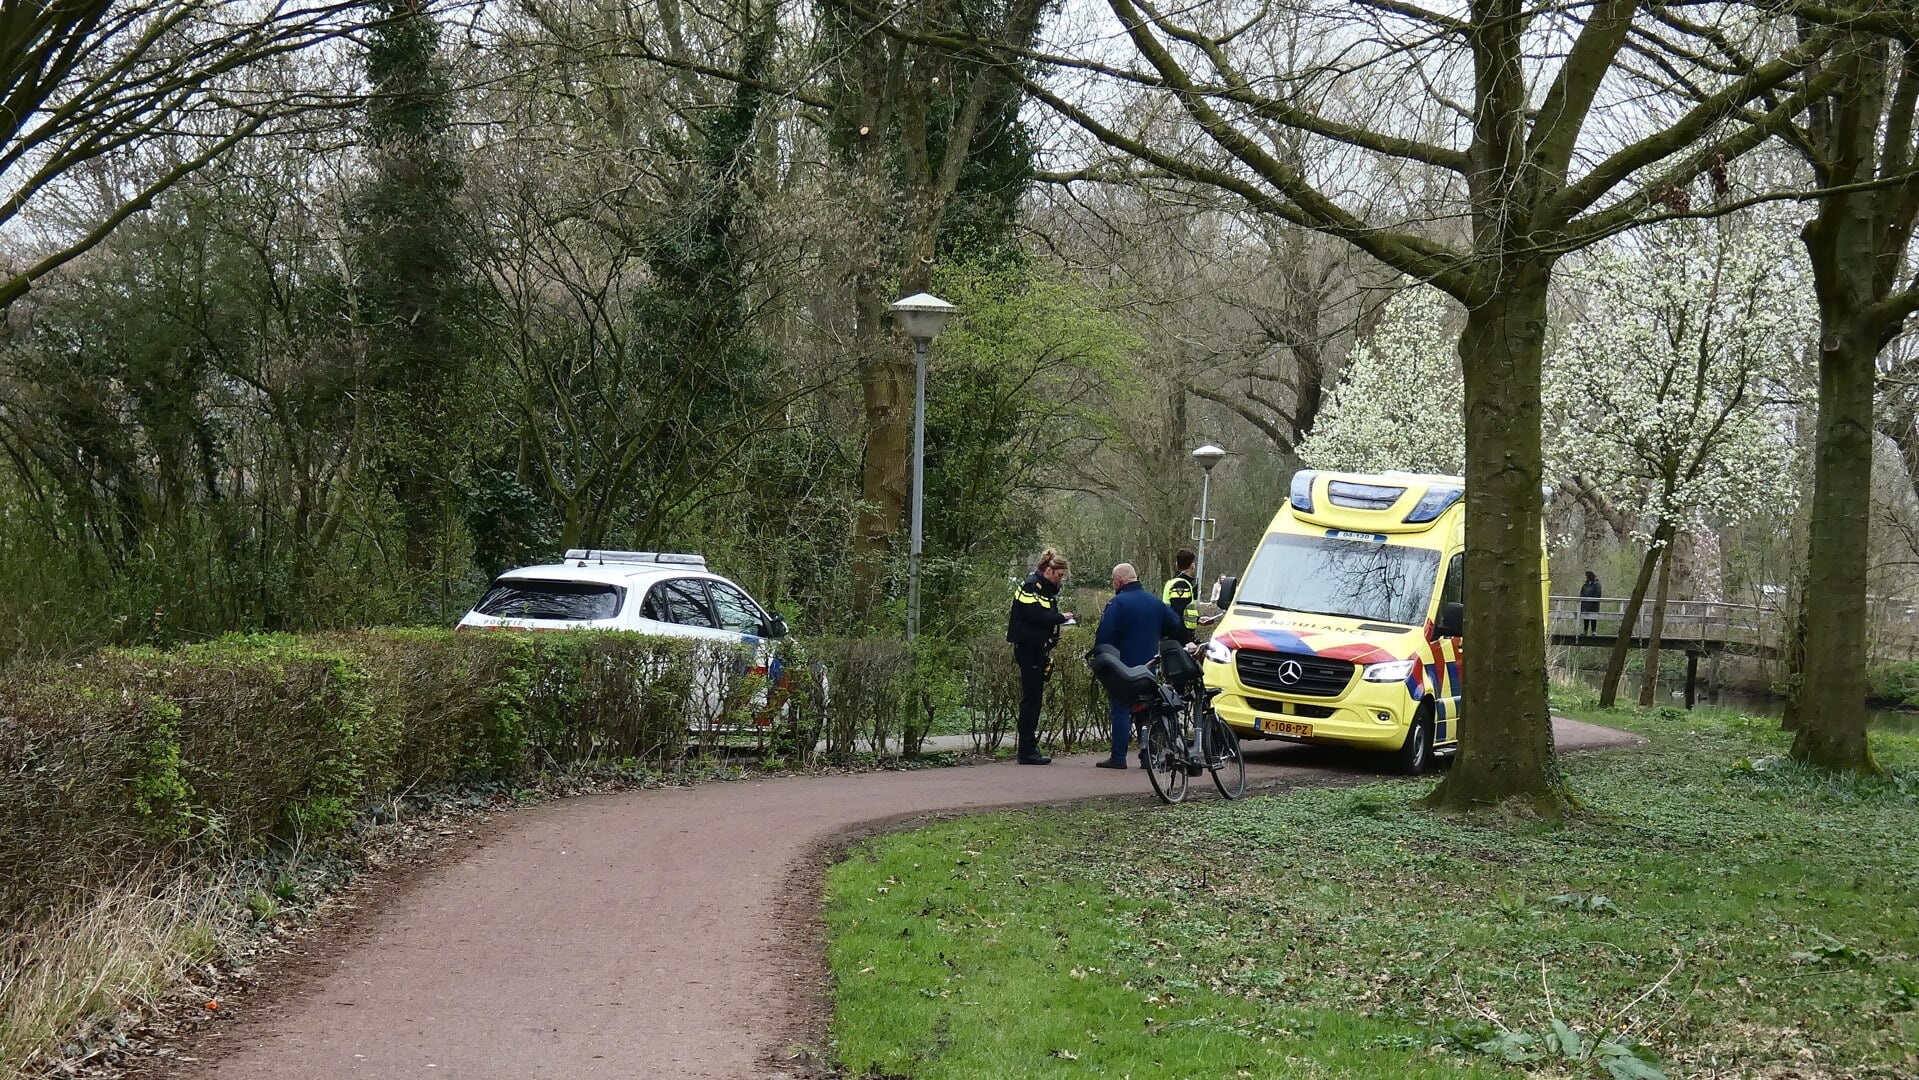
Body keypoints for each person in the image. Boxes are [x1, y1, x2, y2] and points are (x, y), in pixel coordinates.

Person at [1093, 563, 1182, 769]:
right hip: (1149, 668)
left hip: (1121, 668)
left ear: (1119, 581)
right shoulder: (1155, 603)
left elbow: (1104, 637)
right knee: (1146, 710)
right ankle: (1147, 757)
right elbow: (1174, 624)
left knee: (1121, 709)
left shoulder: (1117, 603)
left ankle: (1118, 757)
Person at [1006, 549, 1074, 765]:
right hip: (1028, 649)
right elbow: (1036, 615)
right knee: (1031, 701)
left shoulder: (1044, 589)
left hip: (1036, 649)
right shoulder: (1031, 586)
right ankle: (1027, 750)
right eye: (1059, 575)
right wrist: (1060, 618)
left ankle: (1029, 747)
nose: (1060, 579)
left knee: (1034, 700)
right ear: (1049, 570)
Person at [1159, 547, 1220, 644]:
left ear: (1176, 564)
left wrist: (1198, 619)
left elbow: (1183, 612)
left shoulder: (1173, 582)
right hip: (1178, 638)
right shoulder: (1181, 585)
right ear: (1193, 566)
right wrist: (1187, 641)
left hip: (1172, 636)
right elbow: (1177, 615)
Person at [1580, 570, 1603, 636]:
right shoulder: (1585, 584)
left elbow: (1598, 593)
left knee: (1593, 618)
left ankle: (1593, 631)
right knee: (1585, 618)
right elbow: (1582, 593)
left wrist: (1592, 600)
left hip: (1593, 604)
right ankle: (1585, 631)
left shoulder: (1597, 584)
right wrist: (1583, 600)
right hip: (1585, 604)